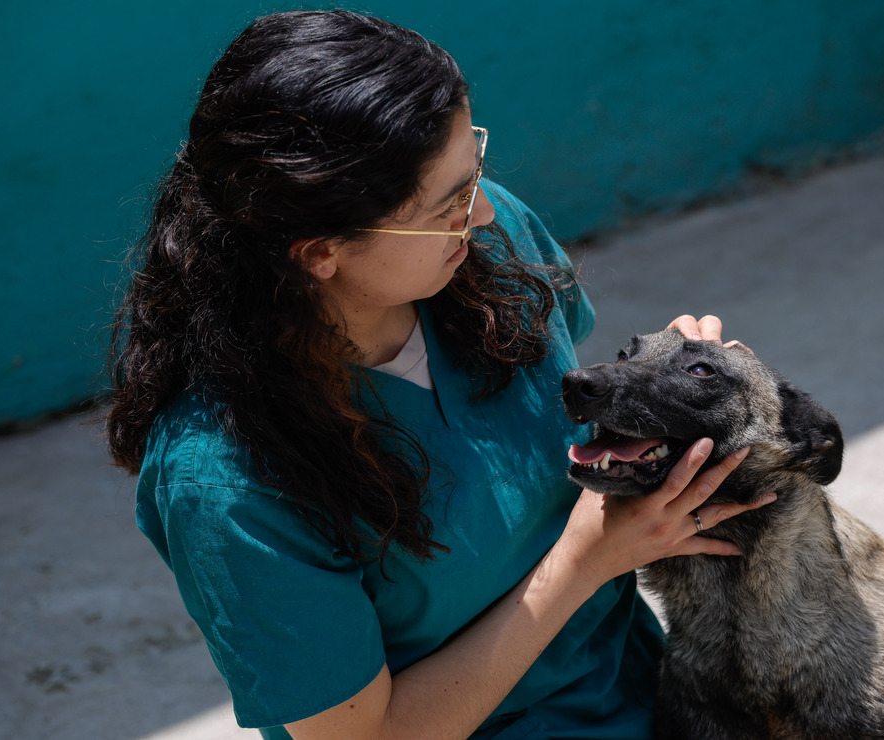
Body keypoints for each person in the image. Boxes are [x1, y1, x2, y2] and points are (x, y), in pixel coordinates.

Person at [106, 10, 772, 740]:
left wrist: (671, 395)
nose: (484, 211)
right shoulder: (226, 481)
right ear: (319, 251)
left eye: (473, 171)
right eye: (447, 202)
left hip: (655, 688)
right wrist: (584, 561)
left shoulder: (484, 249)